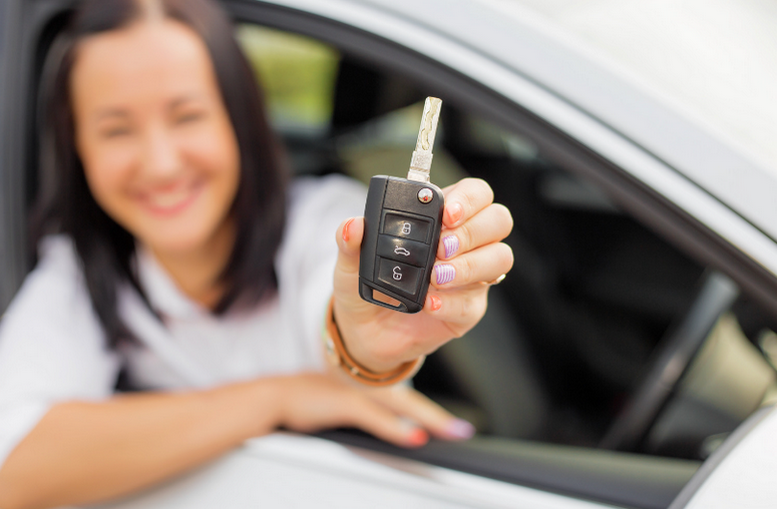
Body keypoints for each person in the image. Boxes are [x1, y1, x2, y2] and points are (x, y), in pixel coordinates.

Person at [0, 0, 514, 507]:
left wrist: (368, 351)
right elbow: (9, 467)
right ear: (77, 149)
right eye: (115, 130)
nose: (159, 164)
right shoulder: (79, 271)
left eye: (187, 116)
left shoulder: (328, 223)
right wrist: (276, 397)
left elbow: (348, 322)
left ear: (240, 120)